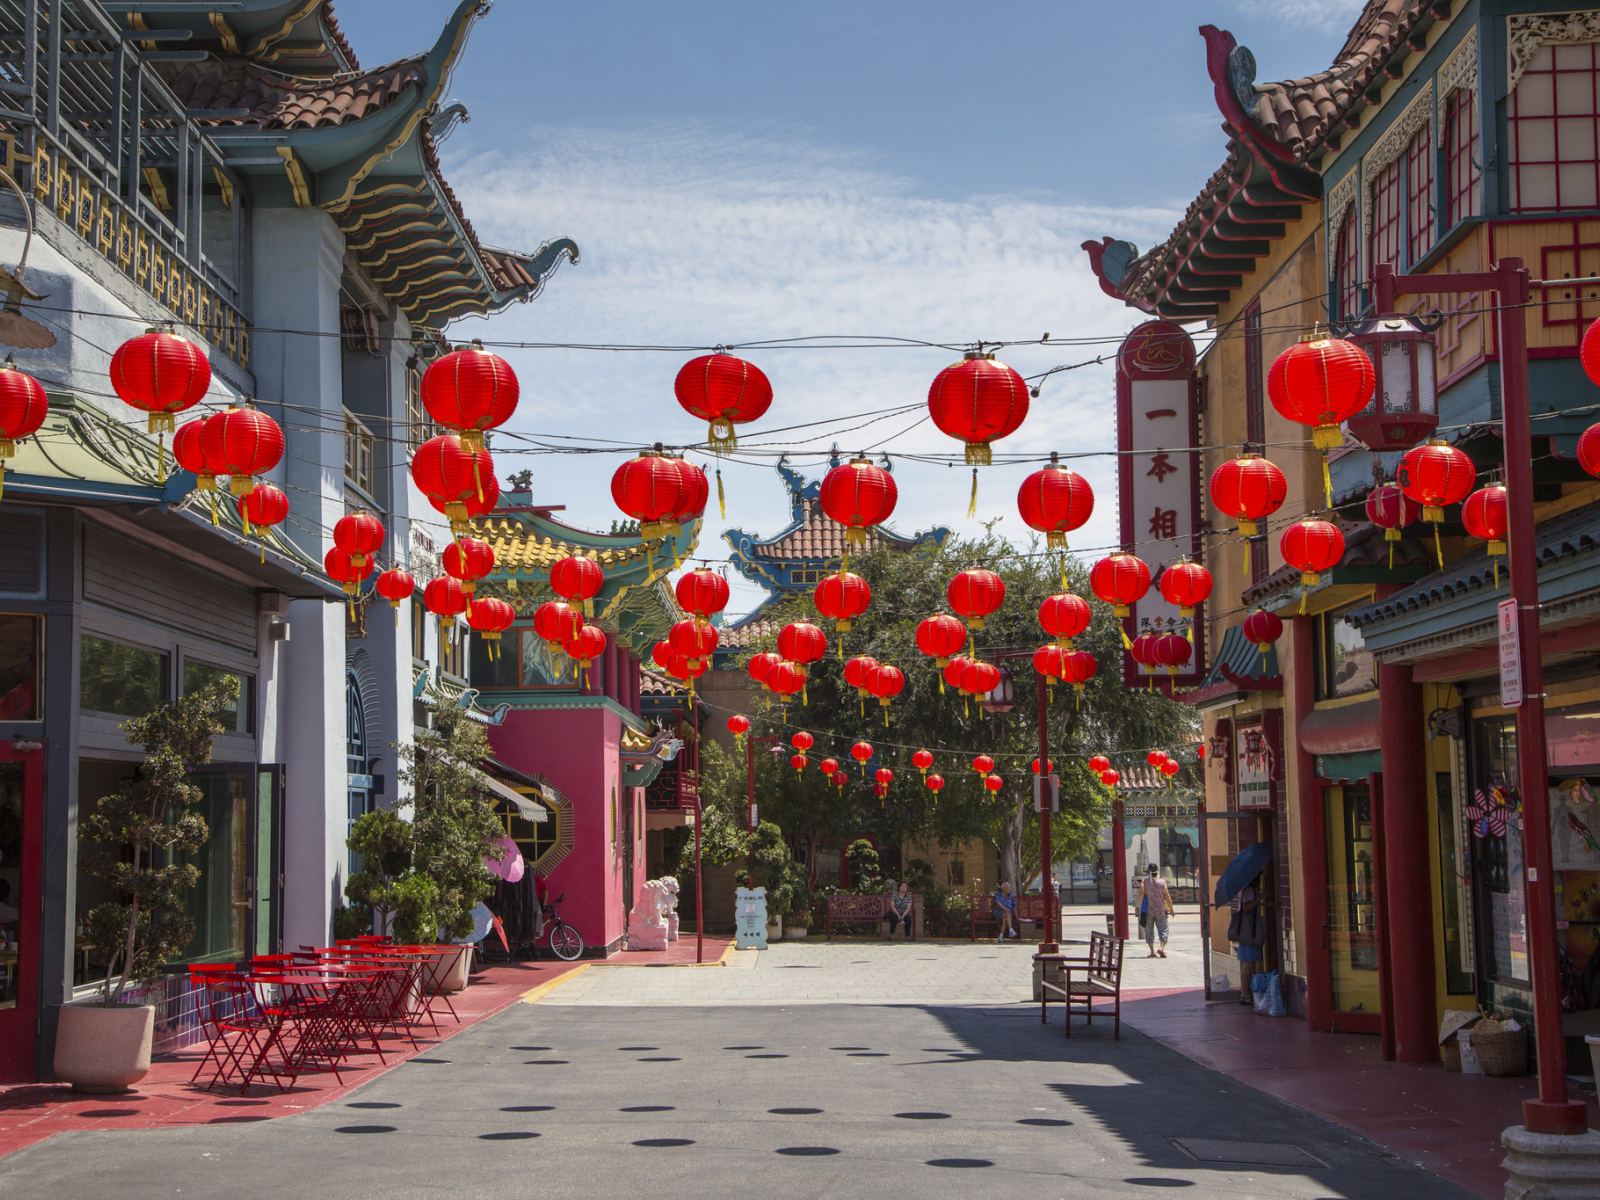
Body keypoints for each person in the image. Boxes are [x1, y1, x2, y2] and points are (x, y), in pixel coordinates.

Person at [1228, 880, 1266, 1003]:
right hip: (1250, 932)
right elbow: (1246, 907)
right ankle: (1245, 994)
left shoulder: (1247, 889)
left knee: (1248, 963)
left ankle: (1247, 993)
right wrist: (1260, 897)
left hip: (1248, 932)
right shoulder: (1249, 890)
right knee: (1248, 963)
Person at [1139, 864, 1173, 957]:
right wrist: (1171, 908)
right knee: (1163, 930)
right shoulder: (1162, 882)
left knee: (1149, 931)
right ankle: (1161, 948)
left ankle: (1152, 952)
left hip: (1148, 911)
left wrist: (1140, 905)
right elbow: (1167, 896)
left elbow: (1141, 893)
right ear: (1157, 871)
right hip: (1161, 910)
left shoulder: (1145, 881)